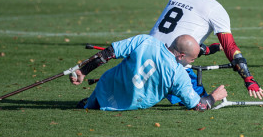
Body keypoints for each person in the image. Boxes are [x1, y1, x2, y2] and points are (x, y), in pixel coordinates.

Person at [149, 0, 263, 103]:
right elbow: (230, 47)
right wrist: (249, 79)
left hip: (145, 56)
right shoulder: (215, 8)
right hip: (171, 69)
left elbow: (176, 36)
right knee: (203, 102)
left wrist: (209, 49)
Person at [70, 34, 227, 111]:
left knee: (89, 106)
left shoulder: (145, 40)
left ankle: (88, 103)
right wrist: (214, 97)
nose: (192, 62)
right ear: (181, 56)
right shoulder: (179, 75)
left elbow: (109, 53)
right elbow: (198, 106)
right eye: (192, 59)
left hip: (104, 88)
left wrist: (83, 71)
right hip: (123, 104)